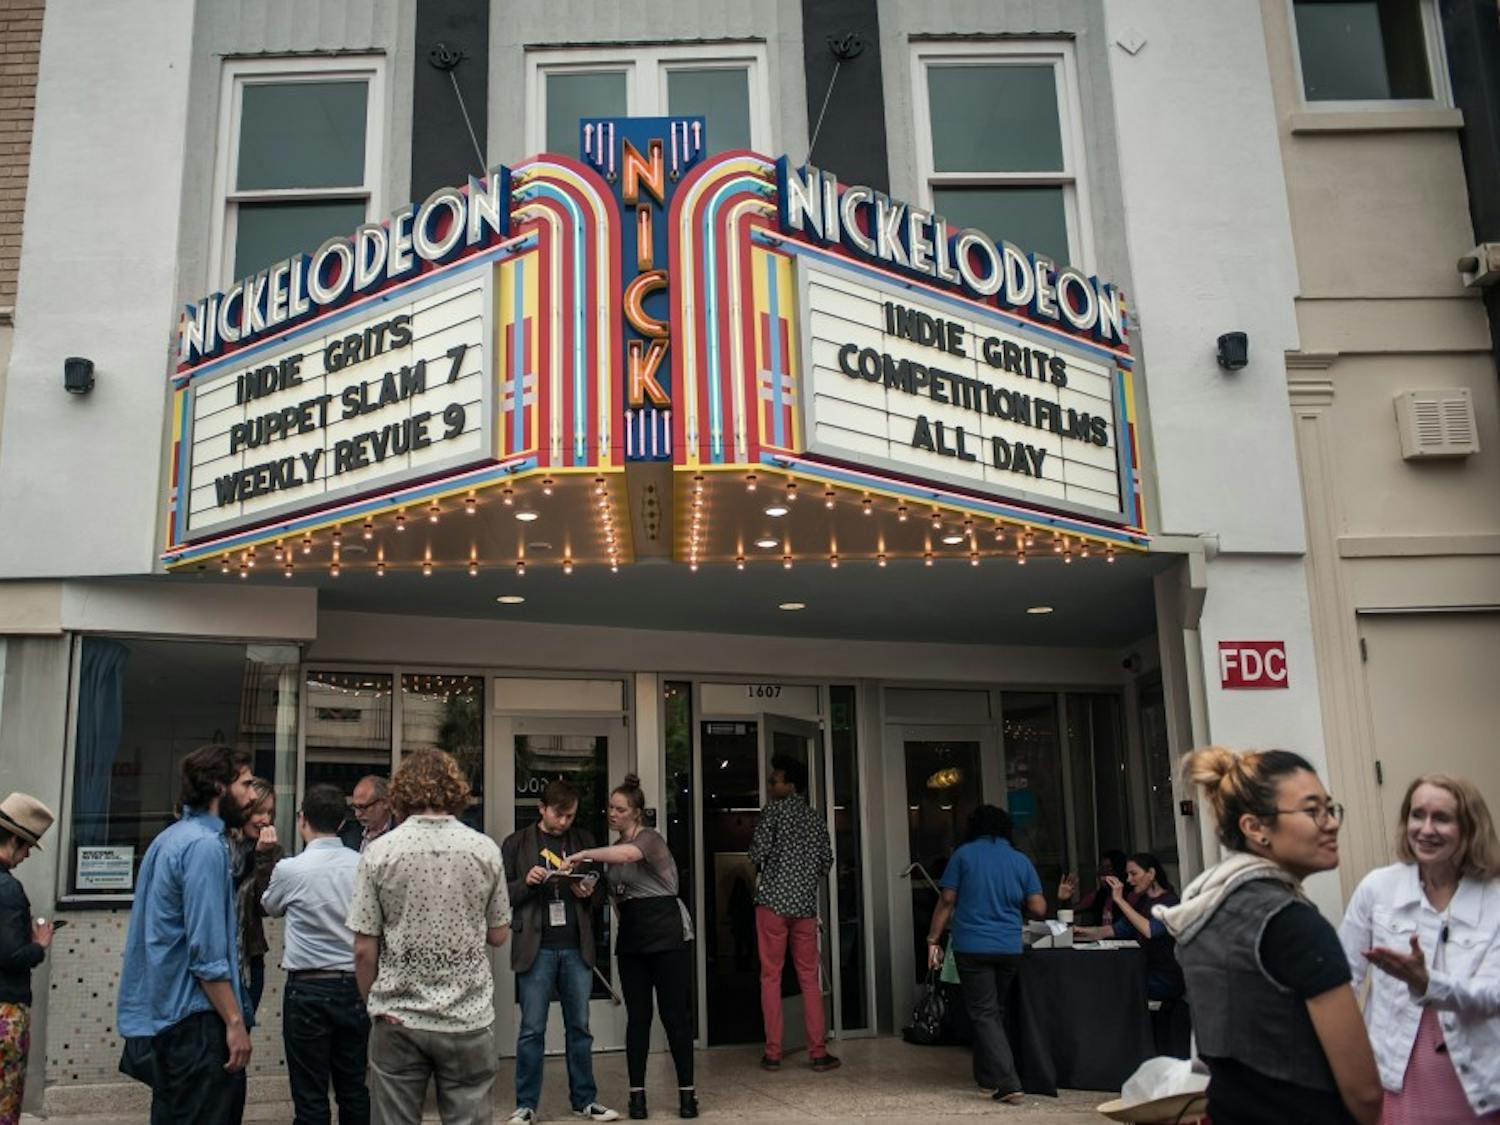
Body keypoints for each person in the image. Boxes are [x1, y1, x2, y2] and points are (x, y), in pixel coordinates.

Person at [1159, 746, 1382, 1125]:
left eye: (1330, 808)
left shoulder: (1203, 912)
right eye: (1312, 810)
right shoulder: (1294, 925)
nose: (1330, 823)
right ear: (1255, 827)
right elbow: (1364, 1091)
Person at [348, 749, 510, 1125]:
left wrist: (372, 1002)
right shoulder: (485, 850)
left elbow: (363, 949)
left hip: (398, 1016)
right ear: (454, 790)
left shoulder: (379, 852)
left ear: (401, 792)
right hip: (467, 1018)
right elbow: (500, 935)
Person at [1338, 774, 1500, 1122]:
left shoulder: (1495, 899)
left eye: (1441, 818)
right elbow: (1343, 981)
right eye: (1417, 815)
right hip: (1397, 1074)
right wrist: (1344, 1065)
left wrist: (1428, 984)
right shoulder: (1377, 888)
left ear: (1470, 828)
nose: (1426, 829)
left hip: (1478, 1082)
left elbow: (1493, 994)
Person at [118, 744, 258, 1125]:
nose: (252, 795)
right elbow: (207, 954)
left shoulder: (171, 838)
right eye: (245, 784)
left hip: (170, 1020)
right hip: (198, 1023)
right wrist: (234, 1022)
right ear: (217, 785)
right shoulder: (204, 848)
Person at [566, 775, 697, 1120]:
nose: (612, 814)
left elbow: (628, 853)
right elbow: (614, 899)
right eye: (610, 807)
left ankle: (688, 1094)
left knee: (674, 1016)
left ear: (636, 813)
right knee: (638, 1017)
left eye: (619, 809)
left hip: (667, 931)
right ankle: (636, 1096)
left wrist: (584, 855)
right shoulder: (610, 857)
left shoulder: (649, 838)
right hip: (634, 935)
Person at [499, 778, 618, 1124]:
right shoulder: (517, 843)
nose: (564, 822)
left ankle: (585, 1099)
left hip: (575, 946)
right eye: (559, 815)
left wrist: (587, 892)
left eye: (570, 816)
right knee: (532, 1029)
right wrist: (528, 882)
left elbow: (600, 890)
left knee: (579, 1026)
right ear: (542, 809)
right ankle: (526, 1104)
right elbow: (502, 894)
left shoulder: (583, 841)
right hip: (536, 947)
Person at [260, 783, 370, 1125]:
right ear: (341, 824)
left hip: (307, 990)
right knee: (353, 1088)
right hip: (354, 986)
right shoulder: (364, 864)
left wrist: (266, 855)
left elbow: (269, 906)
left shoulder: (291, 869)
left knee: (310, 1096)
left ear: (301, 819)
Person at [924, 804, 1046, 1105]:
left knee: (984, 1013)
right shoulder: (1020, 860)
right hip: (1009, 946)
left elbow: (947, 899)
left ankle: (1008, 1081)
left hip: (972, 945)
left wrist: (932, 939)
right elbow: (1039, 908)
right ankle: (987, 1077)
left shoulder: (963, 855)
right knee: (994, 1011)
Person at [748, 753, 837, 1073]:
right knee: (809, 979)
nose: (771, 785)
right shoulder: (815, 818)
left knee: (771, 977)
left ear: (791, 784)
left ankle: (773, 1052)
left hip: (772, 904)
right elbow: (826, 862)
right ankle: (818, 1051)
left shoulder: (772, 812)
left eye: (775, 780)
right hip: (804, 908)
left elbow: (756, 853)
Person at [0, 793, 55, 1125]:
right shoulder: (7, 889)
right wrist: (39, 944)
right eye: (26, 849)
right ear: (15, 841)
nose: (25, 857)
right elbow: (11, 955)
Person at [231, 777, 280, 1019]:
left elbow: (265, 905)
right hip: (221, 959)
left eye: (270, 813)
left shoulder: (268, 852)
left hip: (250, 956)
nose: (266, 820)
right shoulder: (218, 847)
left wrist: (262, 858)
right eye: (259, 811)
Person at [1058, 849, 1130, 927]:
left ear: (1120, 871)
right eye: (1101, 867)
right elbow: (1070, 912)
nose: (1102, 872)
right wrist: (1065, 900)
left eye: (1109, 868)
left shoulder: (1131, 896)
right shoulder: (1098, 896)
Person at [344, 775, 396, 853]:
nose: (357, 814)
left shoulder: (400, 834)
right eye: (354, 807)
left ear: (385, 802)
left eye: (363, 807)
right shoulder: (349, 834)